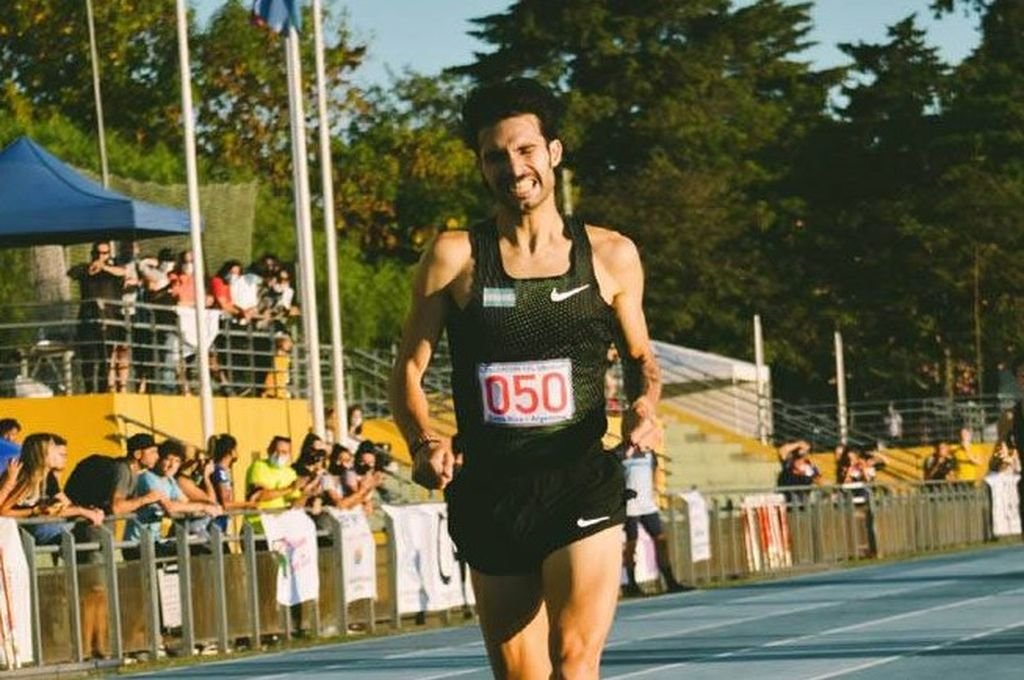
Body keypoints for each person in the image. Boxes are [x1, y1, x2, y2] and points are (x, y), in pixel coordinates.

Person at [389, 78, 662, 679]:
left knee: (573, 658)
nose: (513, 167)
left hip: (578, 478)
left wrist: (645, 406)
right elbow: (409, 369)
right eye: (495, 155)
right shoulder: (454, 257)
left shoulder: (610, 255)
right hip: (490, 489)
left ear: (554, 152)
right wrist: (423, 440)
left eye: (525, 149)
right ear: (481, 165)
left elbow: (641, 358)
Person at [617, 445, 686, 596]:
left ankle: (669, 580)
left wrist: (654, 491)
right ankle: (631, 584)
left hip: (647, 505)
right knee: (631, 545)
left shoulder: (650, 453)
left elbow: (654, 473)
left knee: (661, 541)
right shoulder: (620, 452)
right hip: (630, 507)